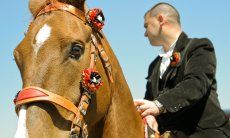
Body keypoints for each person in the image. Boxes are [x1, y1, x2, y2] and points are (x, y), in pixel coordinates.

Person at [134, 2, 230, 138]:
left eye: (146, 26)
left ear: (160, 19)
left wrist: (159, 105)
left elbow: (196, 83)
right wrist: (149, 115)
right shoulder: (154, 65)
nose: (144, 33)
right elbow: (149, 99)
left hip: (205, 133)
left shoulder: (199, 47)